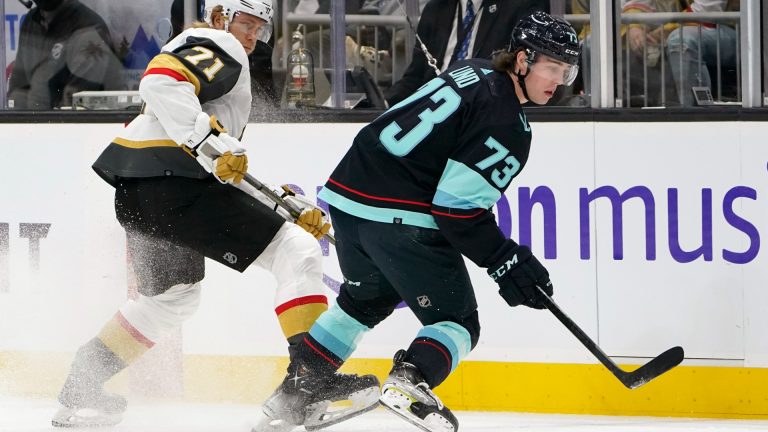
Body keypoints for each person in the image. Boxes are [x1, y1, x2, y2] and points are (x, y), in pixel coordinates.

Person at [51, 0, 378, 428]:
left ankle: (82, 384)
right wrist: (211, 142)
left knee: (172, 298)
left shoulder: (213, 69)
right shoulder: (216, 39)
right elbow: (161, 81)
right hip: (174, 184)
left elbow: (218, 164)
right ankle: (309, 381)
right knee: (295, 252)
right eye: (246, 23)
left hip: (142, 192)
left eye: (260, 30)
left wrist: (285, 206)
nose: (251, 37)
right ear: (221, 15)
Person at [260, 11, 580, 432]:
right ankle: (411, 381)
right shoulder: (509, 125)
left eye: (567, 70)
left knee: (364, 301)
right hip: (399, 213)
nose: (558, 80)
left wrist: (504, 259)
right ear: (523, 60)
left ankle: (296, 392)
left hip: (348, 197)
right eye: (551, 67)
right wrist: (507, 260)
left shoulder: (473, 70)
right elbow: (457, 210)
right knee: (458, 321)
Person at [384, 0, 549, 105]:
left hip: (483, 108)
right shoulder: (435, 9)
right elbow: (415, 77)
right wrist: (384, 103)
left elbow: (521, 74)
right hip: (434, 106)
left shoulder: (521, 6)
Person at [7, 0, 122, 109]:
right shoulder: (31, 22)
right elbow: (17, 88)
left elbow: (76, 104)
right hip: (31, 124)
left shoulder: (89, 29)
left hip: (72, 125)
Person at [664, 0, 739, 106]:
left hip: (741, 34)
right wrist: (635, 28)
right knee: (639, 42)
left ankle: (696, 113)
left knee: (680, 40)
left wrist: (660, 32)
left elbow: (705, 11)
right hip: (690, 25)